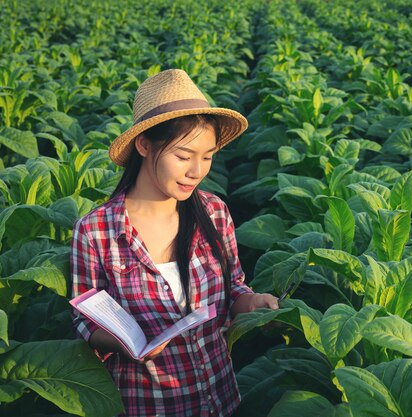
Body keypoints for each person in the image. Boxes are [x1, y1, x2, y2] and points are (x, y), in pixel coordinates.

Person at [70, 69, 279, 417]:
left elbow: (234, 289)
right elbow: (84, 321)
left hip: (219, 398)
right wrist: (123, 342)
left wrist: (253, 303)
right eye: (183, 156)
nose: (197, 170)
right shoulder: (95, 230)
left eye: (208, 156)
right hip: (146, 403)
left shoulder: (214, 213)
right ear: (144, 144)